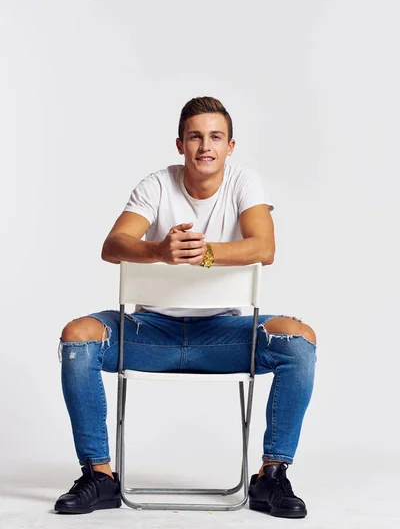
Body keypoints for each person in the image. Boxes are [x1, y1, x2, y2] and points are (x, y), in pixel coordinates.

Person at [55, 96, 317, 518]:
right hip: (149, 334)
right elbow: (113, 245)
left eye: (216, 137)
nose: (205, 146)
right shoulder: (157, 184)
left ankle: (271, 476)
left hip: (223, 337)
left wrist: (205, 252)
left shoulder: (244, 183)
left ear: (231, 146)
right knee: (77, 336)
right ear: (180, 144)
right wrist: (159, 249)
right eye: (195, 136)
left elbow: (264, 248)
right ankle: (99, 476)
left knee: (299, 340)